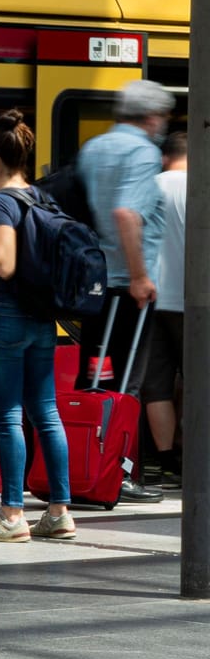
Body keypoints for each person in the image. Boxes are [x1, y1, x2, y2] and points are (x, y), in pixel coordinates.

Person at [0, 110, 74, 541]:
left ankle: (11, 515)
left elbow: (4, 264)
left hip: (6, 318)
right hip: (44, 319)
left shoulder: (3, 202)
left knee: (9, 418)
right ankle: (59, 512)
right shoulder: (44, 198)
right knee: (46, 413)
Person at [76, 78, 172, 504]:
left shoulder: (95, 147)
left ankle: (82, 464)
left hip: (96, 284)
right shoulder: (143, 151)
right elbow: (126, 214)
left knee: (94, 379)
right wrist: (138, 276)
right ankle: (117, 472)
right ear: (152, 117)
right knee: (127, 385)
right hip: (126, 288)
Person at [144, 132, 187, 489]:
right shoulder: (201, 186)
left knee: (156, 385)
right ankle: (192, 453)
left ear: (164, 157)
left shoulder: (149, 186)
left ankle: (164, 462)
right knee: (198, 381)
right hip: (195, 303)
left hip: (153, 300)